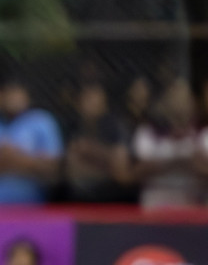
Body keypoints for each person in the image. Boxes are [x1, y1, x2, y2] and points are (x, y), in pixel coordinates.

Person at [0, 74, 63, 207]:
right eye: (9, 92)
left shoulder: (43, 121)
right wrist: (14, 162)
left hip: (33, 212)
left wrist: (11, 158)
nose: (13, 97)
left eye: (17, 91)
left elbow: (52, 171)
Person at [132, 77, 205, 209]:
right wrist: (176, 161)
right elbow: (135, 173)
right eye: (174, 98)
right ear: (165, 103)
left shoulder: (203, 135)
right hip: (156, 208)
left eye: (184, 99)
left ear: (193, 103)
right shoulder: (148, 133)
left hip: (193, 209)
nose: (179, 104)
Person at [64, 76, 133, 203]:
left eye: (94, 97)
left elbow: (121, 172)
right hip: (78, 200)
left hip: (112, 200)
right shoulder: (73, 128)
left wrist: (90, 150)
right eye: (86, 98)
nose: (90, 103)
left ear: (104, 101)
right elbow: (72, 172)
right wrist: (105, 167)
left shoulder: (115, 126)